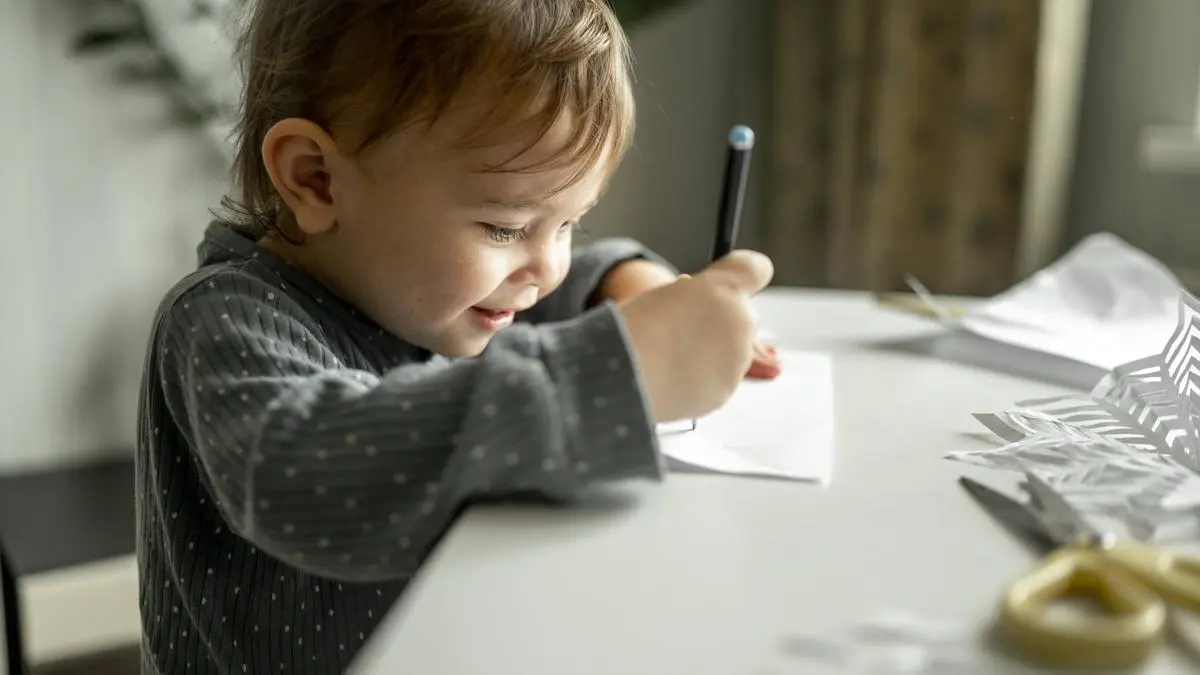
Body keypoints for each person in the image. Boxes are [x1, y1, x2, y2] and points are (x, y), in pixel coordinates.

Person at [135, 0, 777, 673]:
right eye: (505, 227)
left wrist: (626, 280)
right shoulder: (224, 319)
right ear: (315, 177)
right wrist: (617, 372)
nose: (546, 264)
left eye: (569, 223)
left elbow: (546, 294)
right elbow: (312, 479)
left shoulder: (416, 289)